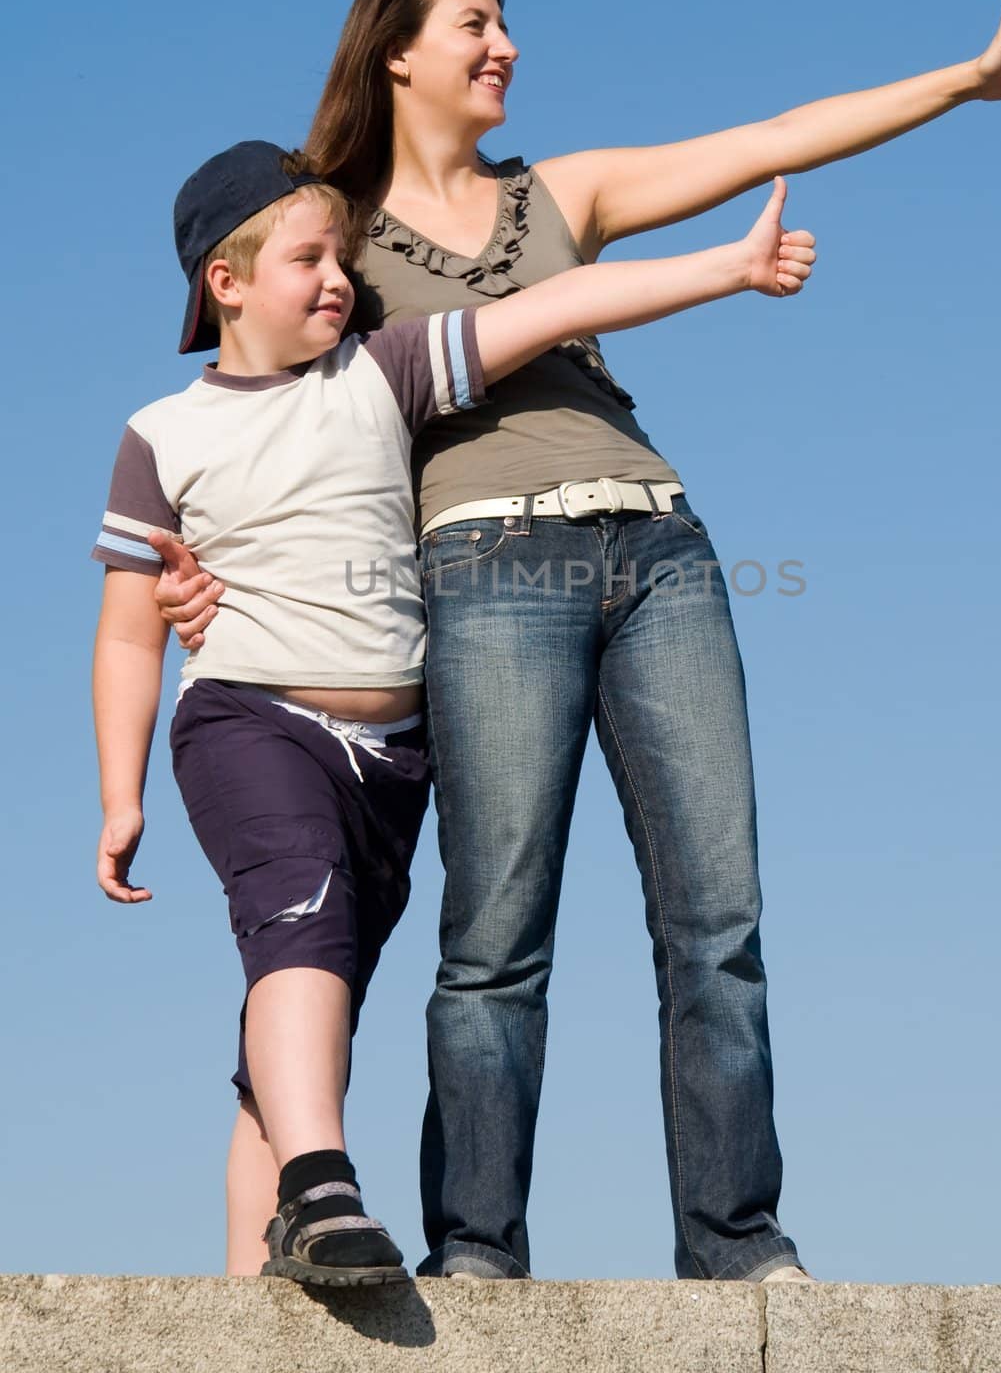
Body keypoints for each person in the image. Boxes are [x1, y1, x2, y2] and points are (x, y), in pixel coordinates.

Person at [154, 0, 1001, 1284]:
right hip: (480, 570)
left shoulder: (558, 190)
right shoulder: (330, 228)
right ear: (397, 51)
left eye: (505, 23)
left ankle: (737, 1243)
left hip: (660, 553)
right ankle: (475, 1252)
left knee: (716, 922)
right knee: (496, 932)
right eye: (472, 22)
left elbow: (773, 136)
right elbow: (241, 408)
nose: (502, 44)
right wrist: (187, 572)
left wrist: (962, 81)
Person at [92, 138, 816, 1281]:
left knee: (296, 1008)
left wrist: (722, 268)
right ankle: (324, 1188)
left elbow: (560, 300)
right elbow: (131, 626)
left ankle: (247, 1293)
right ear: (223, 282)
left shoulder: (384, 370)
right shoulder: (161, 432)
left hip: (391, 760)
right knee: (301, 938)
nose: (343, 275)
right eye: (311, 257)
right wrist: (120, 791)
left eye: (347, 254)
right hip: (251, 722)